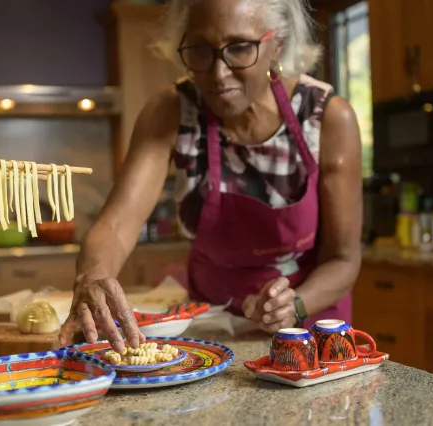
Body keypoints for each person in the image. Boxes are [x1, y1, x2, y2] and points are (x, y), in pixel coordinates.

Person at [59, 0, 362, 353]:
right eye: (201, 49)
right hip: (212, 331)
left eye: (240, 48)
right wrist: (92, 278)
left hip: (309, 327)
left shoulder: (327, 118)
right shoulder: (171, 112)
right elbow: (114, 227)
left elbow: (343, 259)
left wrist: (294, 305)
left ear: (277, 44)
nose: (218, 74)